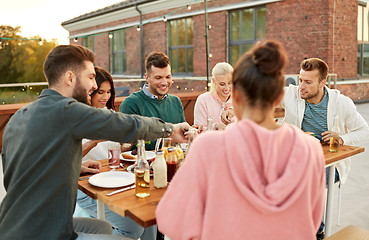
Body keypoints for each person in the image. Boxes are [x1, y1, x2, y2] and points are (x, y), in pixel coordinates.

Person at [0, 45, 189, 240]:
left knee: (102, 229)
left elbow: (15, 173)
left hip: (13, 225)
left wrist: (74, 166)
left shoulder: (18, 117)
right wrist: (170, 129)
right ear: (70, 78)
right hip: (46, 233)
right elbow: (126, 125)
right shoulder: (66, 110)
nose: (93, 86)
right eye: (90, 77)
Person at [156, 40, 325, 239]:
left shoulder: (207, 147)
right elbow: (312, 222)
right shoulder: (312, 149)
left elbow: (169, 220)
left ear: (235, 95)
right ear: (279, 96)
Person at [280, 57, 369, 238]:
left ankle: (316, 230)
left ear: (322, 82)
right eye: (300, 80)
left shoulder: (341, 103)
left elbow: (364, 131)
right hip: (299, 157)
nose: (301, 86)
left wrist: (342, 138)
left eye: (308, 82)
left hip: (330, 164)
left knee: (309, 179)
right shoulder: (292, 94)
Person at [76, 66, 157, 240]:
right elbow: (67, 157)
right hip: (85, 186)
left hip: (113, 178)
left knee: (149, 216)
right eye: (100, 92)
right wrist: (92, 142)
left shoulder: (109, 114)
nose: (105, 97)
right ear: (89, 91)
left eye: (109, 92)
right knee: (133, 229)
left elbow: (116, 148)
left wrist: (130, 145)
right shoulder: (76, 118)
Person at [119, 52, 186, 150]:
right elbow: (128, 145)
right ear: (147, 78)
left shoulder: (176, 101)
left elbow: (182, 135)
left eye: (168, 77)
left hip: (174, 161)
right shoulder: (131, 104)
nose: (164, 83)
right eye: (158, 78)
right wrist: (170, 136)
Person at [194, 62, 233, 130]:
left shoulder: (239, 100)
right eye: (222, 84)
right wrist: (215, 126)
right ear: (214, 81)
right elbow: (198, 130)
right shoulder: (203, 100)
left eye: (230, 83)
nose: (227, 88)